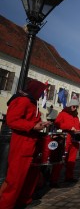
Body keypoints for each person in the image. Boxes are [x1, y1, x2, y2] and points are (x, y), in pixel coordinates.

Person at [0, 79, 50, 208]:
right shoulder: (22, 100)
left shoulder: (33, 103)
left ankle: (24, 199)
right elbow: (12, 120)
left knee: (29, 175)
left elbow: (31, 121)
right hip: (22, 144)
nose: (41, 95)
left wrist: (40, 124)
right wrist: (33, 126)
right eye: (40, 92)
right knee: (15, 179)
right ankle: (6, 205)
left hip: (31, 144)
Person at [49, 96, 80, 187]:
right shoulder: (63, 113)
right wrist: (69, 127)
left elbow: (78, 126)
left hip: (74, 139)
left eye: (76, 107)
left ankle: (69, 176)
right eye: (74, 106)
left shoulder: (76, 116)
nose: (75, 108)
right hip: (65, 138)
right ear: (70, 105)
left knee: (71, 160)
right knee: (61, 159)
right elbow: (57, 123)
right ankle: (54, 180)